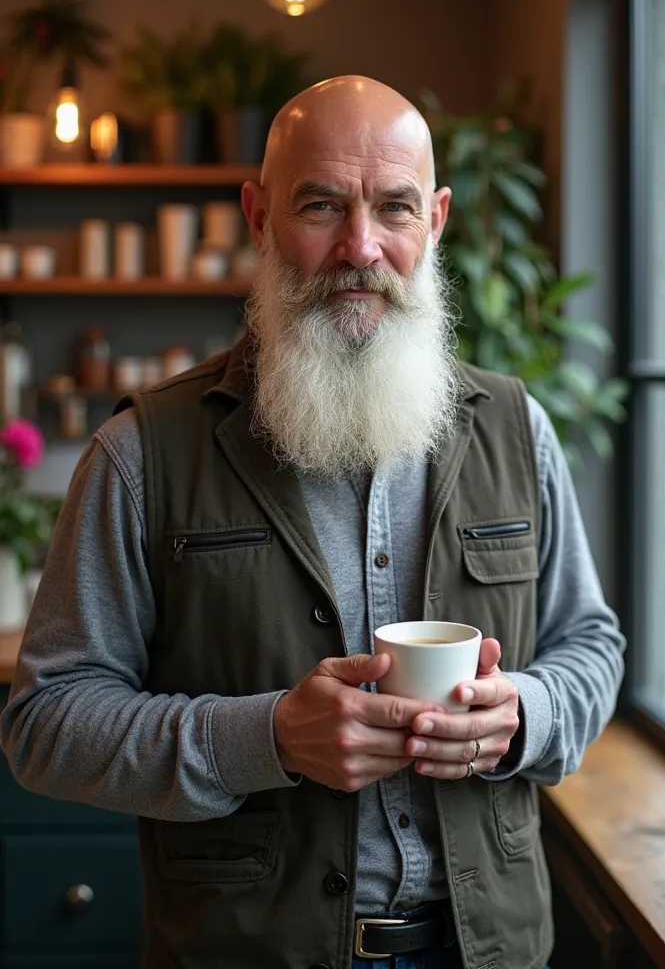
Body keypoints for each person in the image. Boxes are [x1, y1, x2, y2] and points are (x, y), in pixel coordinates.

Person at [0, 76, 624, 969]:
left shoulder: (516, 429)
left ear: (436, 221)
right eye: (322, 204)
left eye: (395, 207)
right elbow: (46, 724)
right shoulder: (141, 452)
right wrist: (265, 738)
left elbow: (591, 643)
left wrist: (525, 713)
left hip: (491, 948)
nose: (359, 246)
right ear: (259, 216)